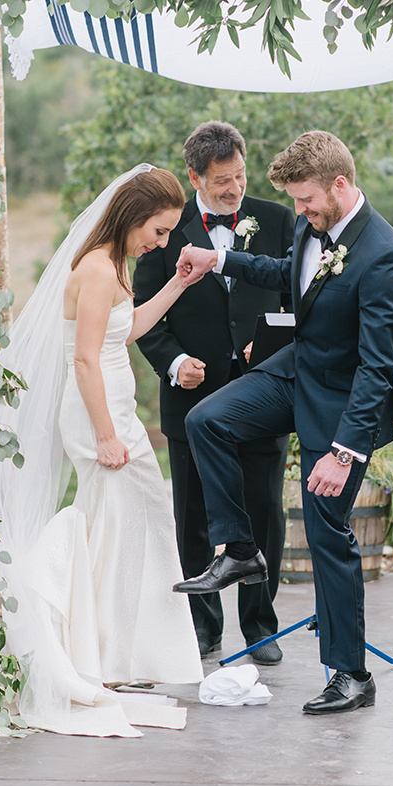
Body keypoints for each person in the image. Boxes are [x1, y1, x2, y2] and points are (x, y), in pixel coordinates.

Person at [173, 131, 393, 715]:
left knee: (329, 532)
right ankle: (241, 550)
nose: (298, 212)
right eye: (295, 203)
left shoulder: (384, 256)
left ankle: (351, 675)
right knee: (207, 419)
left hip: (343, 401)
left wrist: (345, 452)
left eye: (305, 200)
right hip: (297, 369)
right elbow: (290, 272)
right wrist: (219, 258)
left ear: (340, 183)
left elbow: (379, 368)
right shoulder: (314, 224)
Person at [0, 165, 204, 737]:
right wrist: (106, 433)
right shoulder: (98, 269)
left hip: (113, 412)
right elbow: (83, 360)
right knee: (117, 521)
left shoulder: (113, 266)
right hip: (97, 415)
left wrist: (176, 285)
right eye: (157, 230)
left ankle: (112, 650)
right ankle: (84, 639)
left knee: (129, 522)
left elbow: (122, 333)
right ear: (133, 216)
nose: (160, 242)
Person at [133, 121, 294, 663]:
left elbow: (298, 297)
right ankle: (203, 629)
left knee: (264, 511)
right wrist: (177, 363)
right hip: (191, 399)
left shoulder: (278, 219)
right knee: (194, 519)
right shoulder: (164, 229)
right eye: (222, 180)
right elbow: (145, 317)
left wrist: (269, 347)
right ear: (195, 175)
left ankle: (261, 627)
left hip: (263, 392)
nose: (234, 188)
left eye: (240, 175)